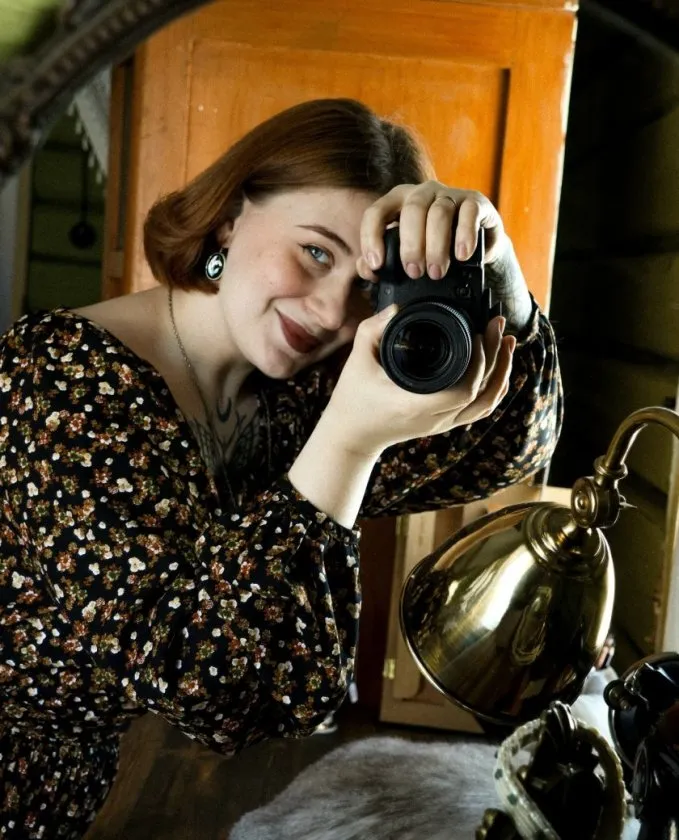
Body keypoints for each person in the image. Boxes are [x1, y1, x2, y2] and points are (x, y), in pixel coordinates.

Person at [0, 98, 562, 839]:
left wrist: (504, 281)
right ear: (229, 220)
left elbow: (511, 446)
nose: (331, 313)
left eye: (366, 288)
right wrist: (348, 445)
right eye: (316, 253)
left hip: (64, 794)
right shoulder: (62, 385)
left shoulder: (284, 401)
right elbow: (206, 685)